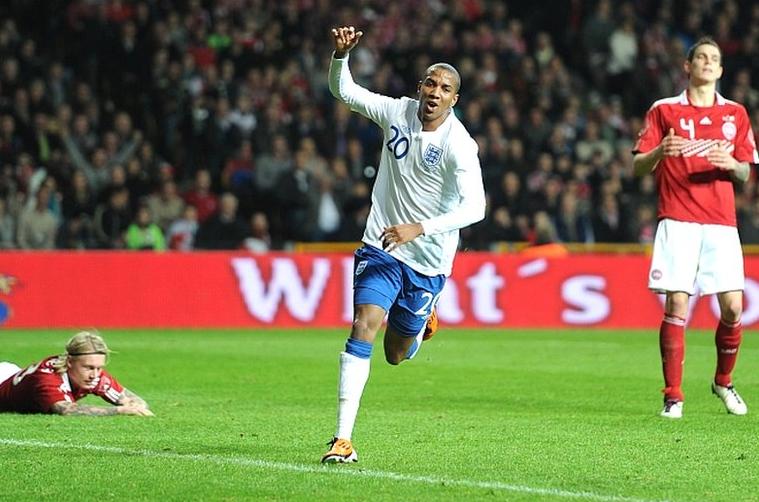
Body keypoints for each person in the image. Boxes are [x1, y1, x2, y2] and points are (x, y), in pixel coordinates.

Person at [321, 26, 486, 463]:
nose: (435, 92)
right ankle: (342, 439)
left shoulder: (460, 146)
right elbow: (346, 92)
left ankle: (422, 321)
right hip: (382, 246)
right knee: (363, 326)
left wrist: (421, 227)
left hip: (428, 260)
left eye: (445, 88)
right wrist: (340, 57)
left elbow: (476, 209)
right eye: (430, 83)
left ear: (455, 100)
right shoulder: (397, 111)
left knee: (396, 353)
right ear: (420, 88)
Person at [632, 36, 759, 419]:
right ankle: (673, 394)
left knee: (734, 308)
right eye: (700, 57)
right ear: (687, 66)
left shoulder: (735, 114)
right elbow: (638, 164)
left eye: (713, 59)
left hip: (720, 223)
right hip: (678, 219)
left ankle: (723, 381)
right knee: (676, 304)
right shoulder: (664, 110)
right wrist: (659, 152)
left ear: (720, 70)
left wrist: (728, 164)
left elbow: (745, 172)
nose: (706, 62)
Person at [0, 330, 153, 416]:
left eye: (99, 368)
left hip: (12, 375)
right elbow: (66, 409)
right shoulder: (48, 379)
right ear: (69, 362)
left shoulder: (92, 375)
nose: (95, 374)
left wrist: (136, 405)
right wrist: (119, 411)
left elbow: (131, 399)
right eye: (89, 367)